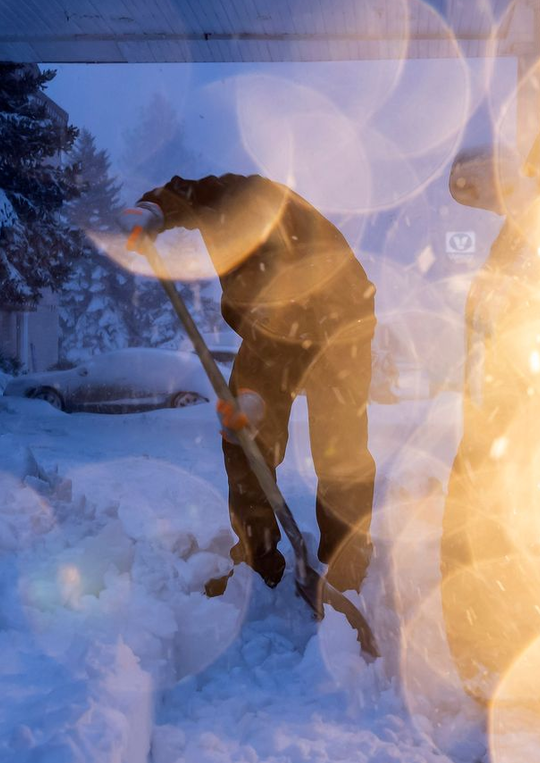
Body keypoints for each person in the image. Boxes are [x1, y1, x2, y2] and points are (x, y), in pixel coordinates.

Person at [126, 173, 376, 596]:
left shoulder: (277, 222)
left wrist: (258, 395)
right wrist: (152, 209)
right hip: (270, 331)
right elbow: (186, 193)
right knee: (242, 439)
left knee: (339, 450)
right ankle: (258, 562)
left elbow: (299, 311)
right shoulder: (225, 196)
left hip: (340, 327)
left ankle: (348, 565)